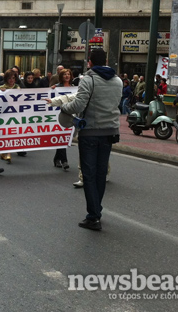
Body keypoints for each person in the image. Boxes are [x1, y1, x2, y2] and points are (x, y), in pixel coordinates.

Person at [61, 50, 122, 231]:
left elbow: (79, 105)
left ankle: (93, 215)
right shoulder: (118, 81)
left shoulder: (89, 79)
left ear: (90, 62)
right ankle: (97, 209)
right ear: (105, 61)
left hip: (90, 131)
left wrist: (64, 107)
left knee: (89, 174)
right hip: (110, 131)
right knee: (100, 174)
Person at [51, 68, 74, 170]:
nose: (67, 76)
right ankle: (64, 161)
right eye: (65, 74)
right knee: (62, 136)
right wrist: (51, 89)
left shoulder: (74, 88)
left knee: (64, 137)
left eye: (68, 74)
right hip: (58, 115)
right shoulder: (57, 87)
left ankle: (57, 158)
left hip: (70, 115)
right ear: (61, 76)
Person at [0, 69, 21, 163]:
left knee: (11, 134)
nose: (11, 80)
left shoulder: (17, 87)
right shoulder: (1, 88)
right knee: (5, 133)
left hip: (14, 113)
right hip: (3, 113)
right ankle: (5, 152)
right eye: (9, 78)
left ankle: (8, 152)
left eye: (13, 78)